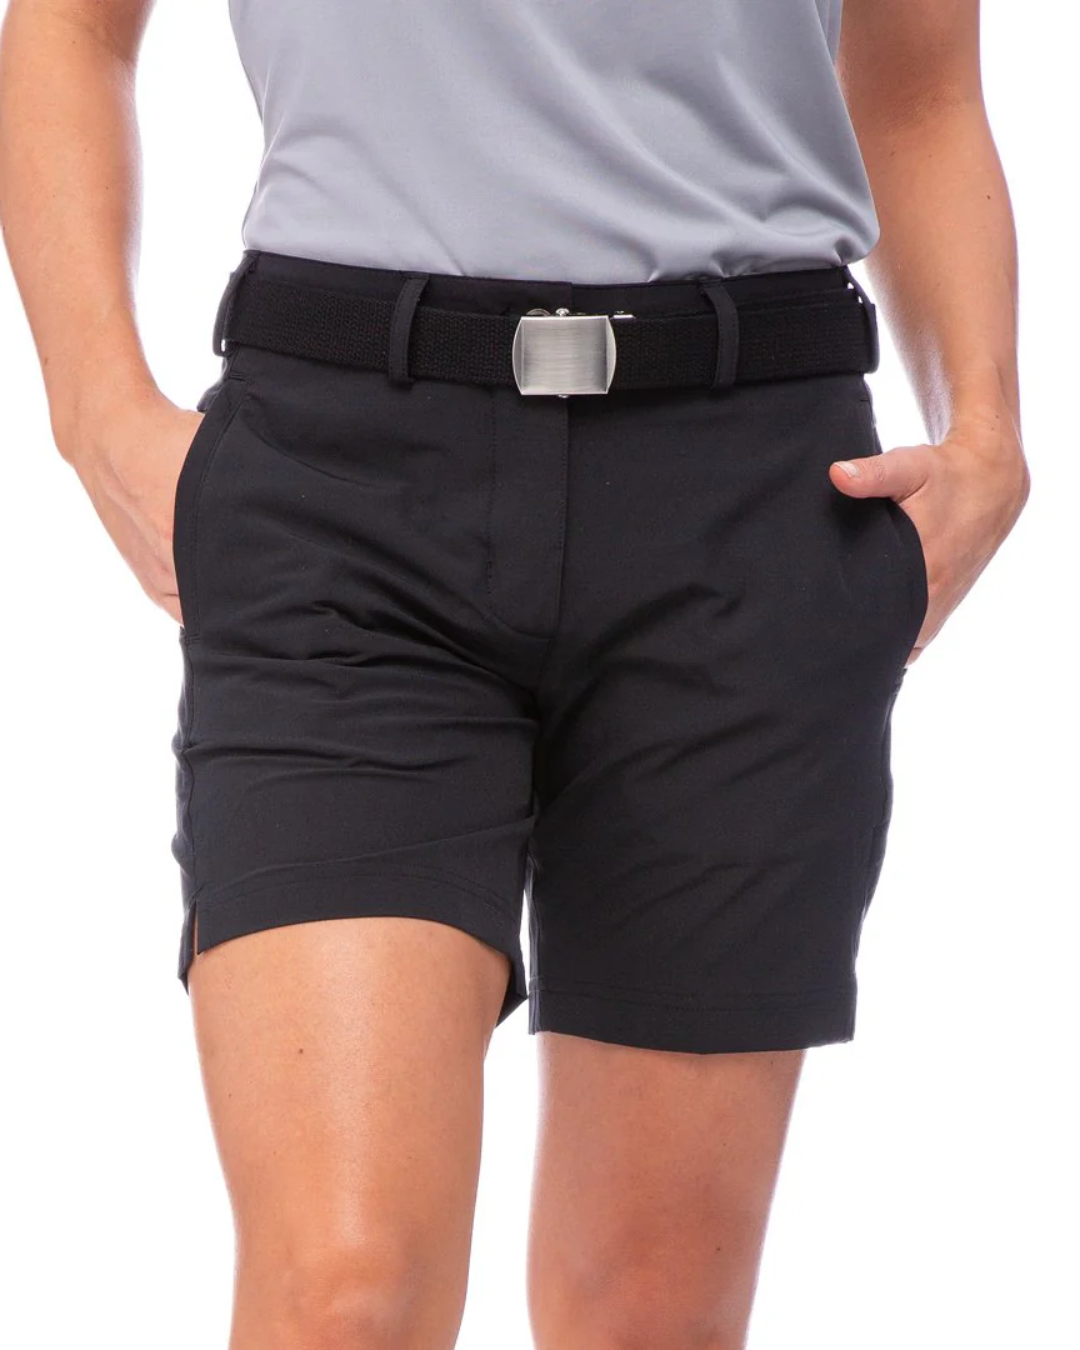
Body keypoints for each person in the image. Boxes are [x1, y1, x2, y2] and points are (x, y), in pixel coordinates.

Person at [0, 0, 1029, 1346]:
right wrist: (94, 409)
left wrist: (988, 427)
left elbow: (921, 90)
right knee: (343, 1293)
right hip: (346, 488)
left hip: (749, 488)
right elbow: (70, 26)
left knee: (648, 1315)